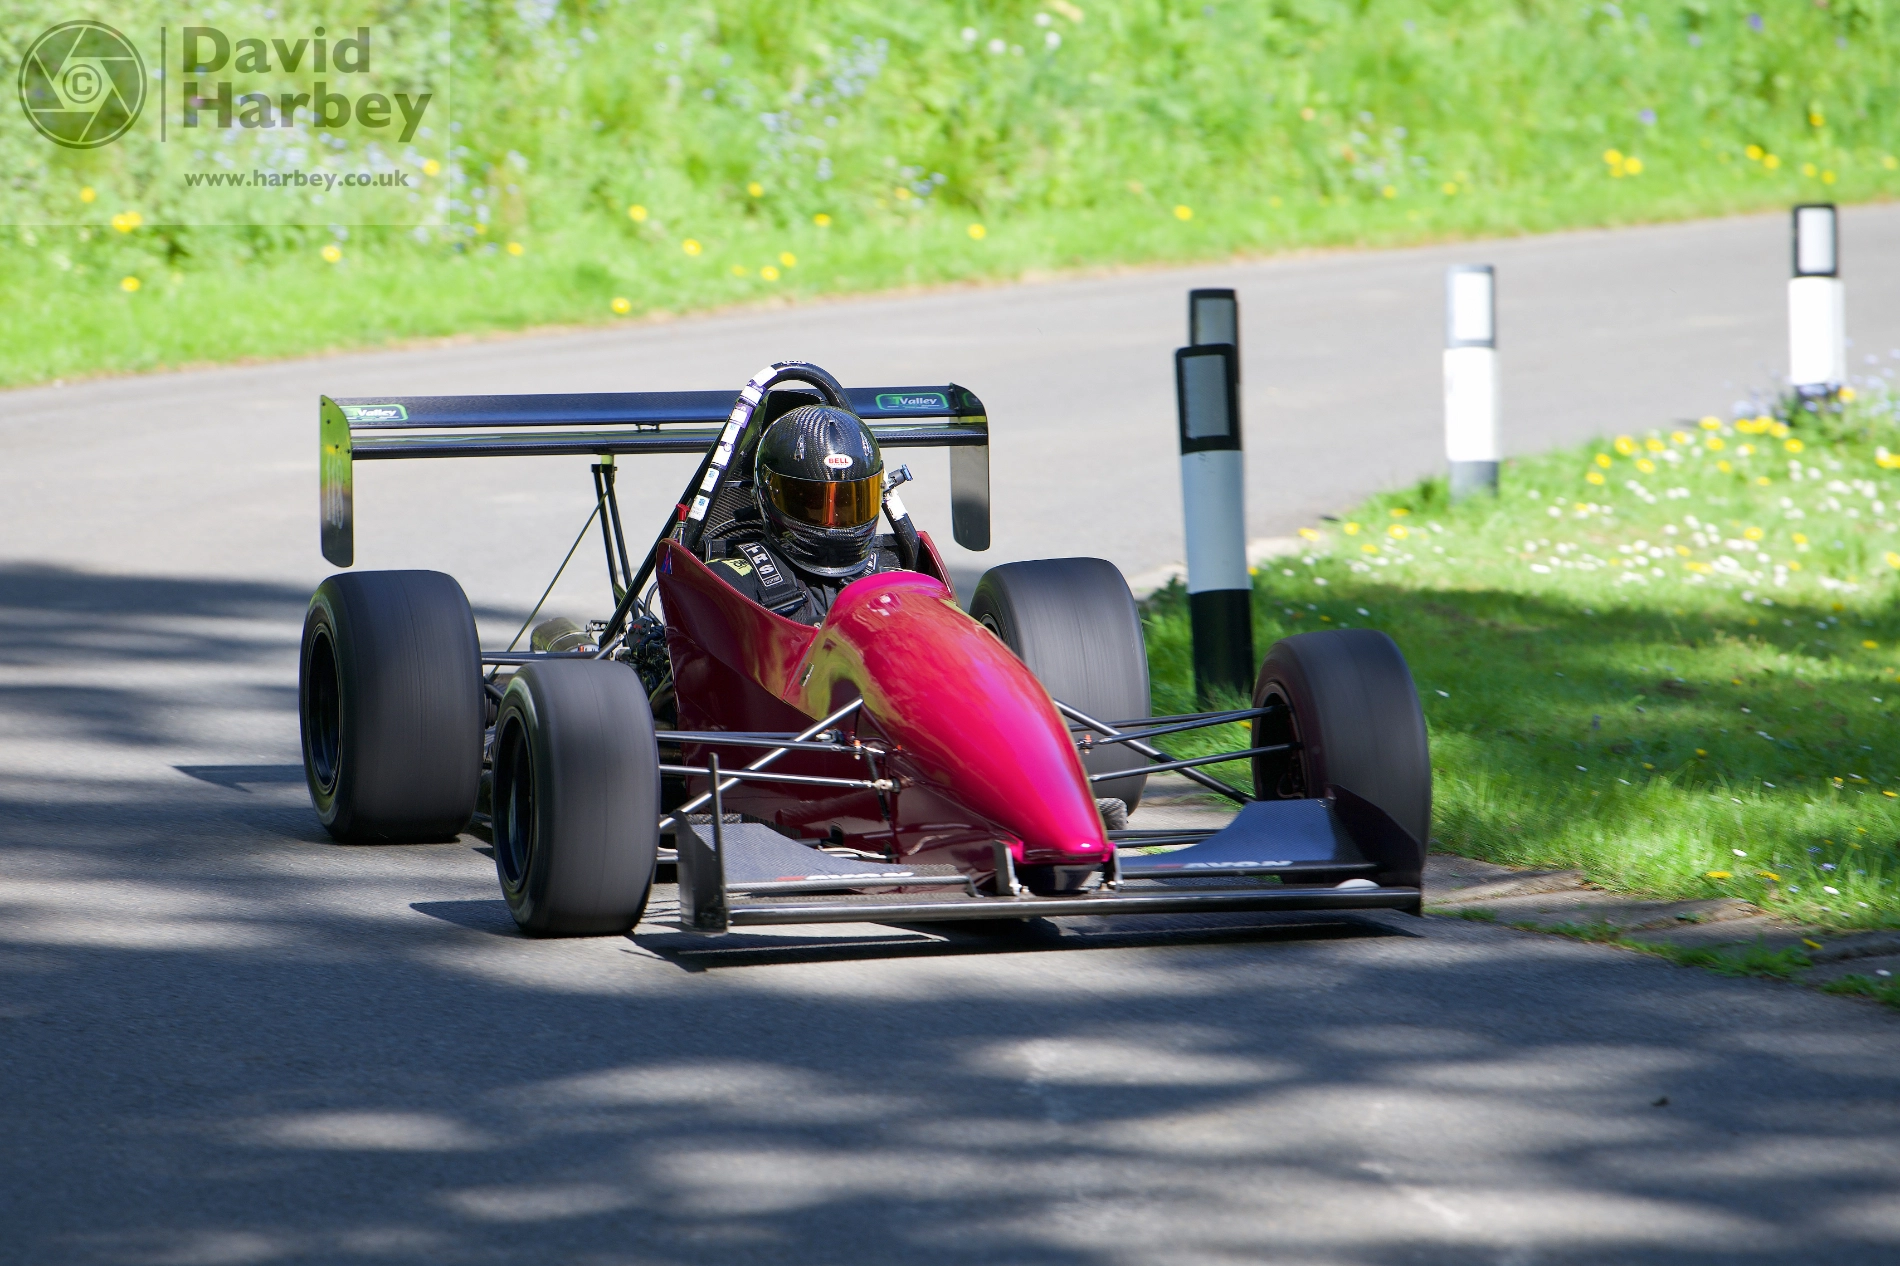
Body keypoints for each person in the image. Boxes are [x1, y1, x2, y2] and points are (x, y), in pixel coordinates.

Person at [707, 404, 909, 624]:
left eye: (848, 503)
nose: (834, 520)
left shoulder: (898, 580)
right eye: (815, 503)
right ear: (767, 495)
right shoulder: (730, 583)